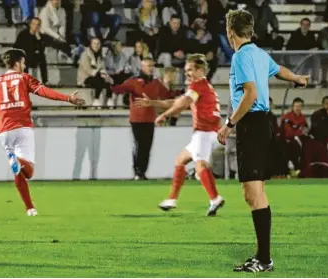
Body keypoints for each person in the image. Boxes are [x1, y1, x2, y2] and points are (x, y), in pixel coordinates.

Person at [216, 9, 309, 272]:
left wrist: (228, 125)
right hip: (263, 124)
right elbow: (279, 70)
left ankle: (264, 259)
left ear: (230, 32)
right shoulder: (258, 53)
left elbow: (250, 94)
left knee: (252, 192)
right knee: (256, 191)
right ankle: (262, 256)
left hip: (252, 125)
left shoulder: (241, 56)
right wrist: (298, 79)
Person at [0, 49, 85, 216]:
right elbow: (44, 92)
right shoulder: (24, 78)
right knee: (28, 171)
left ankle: (29, 207)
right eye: (23, 62)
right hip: (22, 126)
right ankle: (19, 162)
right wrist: (68, 98)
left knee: (18, 172)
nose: (25, 65)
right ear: (16, 63)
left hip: (3, 130)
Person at [135, 54, 225, 215]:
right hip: (209, 132)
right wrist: (153, 103)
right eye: (186, 70)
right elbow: (176, 102)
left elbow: (182, 104)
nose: (187, 73)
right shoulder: (203, 86)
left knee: (200, 165)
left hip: (204, 133)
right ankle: (172, 199)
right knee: (181, 160)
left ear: (201, 70)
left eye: (190, 70)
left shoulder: (198, 85)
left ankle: (215, 198)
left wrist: (164, 115)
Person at [111, 58, 177, 180]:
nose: (150, 68)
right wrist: (111, 81)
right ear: (142, 67)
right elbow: (118, 90)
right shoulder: (133, 81)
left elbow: (166, 95)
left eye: (152, 66)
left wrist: (175, 89)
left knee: (146, 146)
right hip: (136, 119)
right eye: (148, 66)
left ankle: (142, 172)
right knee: (139, 145)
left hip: (150, 119)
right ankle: (138, 171)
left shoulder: (156, 82)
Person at [77, 37, 113, 107]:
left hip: (97, 76)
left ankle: (109, 98)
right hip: (86, 77)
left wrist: (104, 74)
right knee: (98, 79)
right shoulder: (85, 54)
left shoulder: (100, 56)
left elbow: (102, 68)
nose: (96, 45)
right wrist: (99, 73)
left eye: (98, 44)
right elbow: (87, 69)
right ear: (91, 45)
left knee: (108, 79)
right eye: (94, 43)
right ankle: (96, 99)